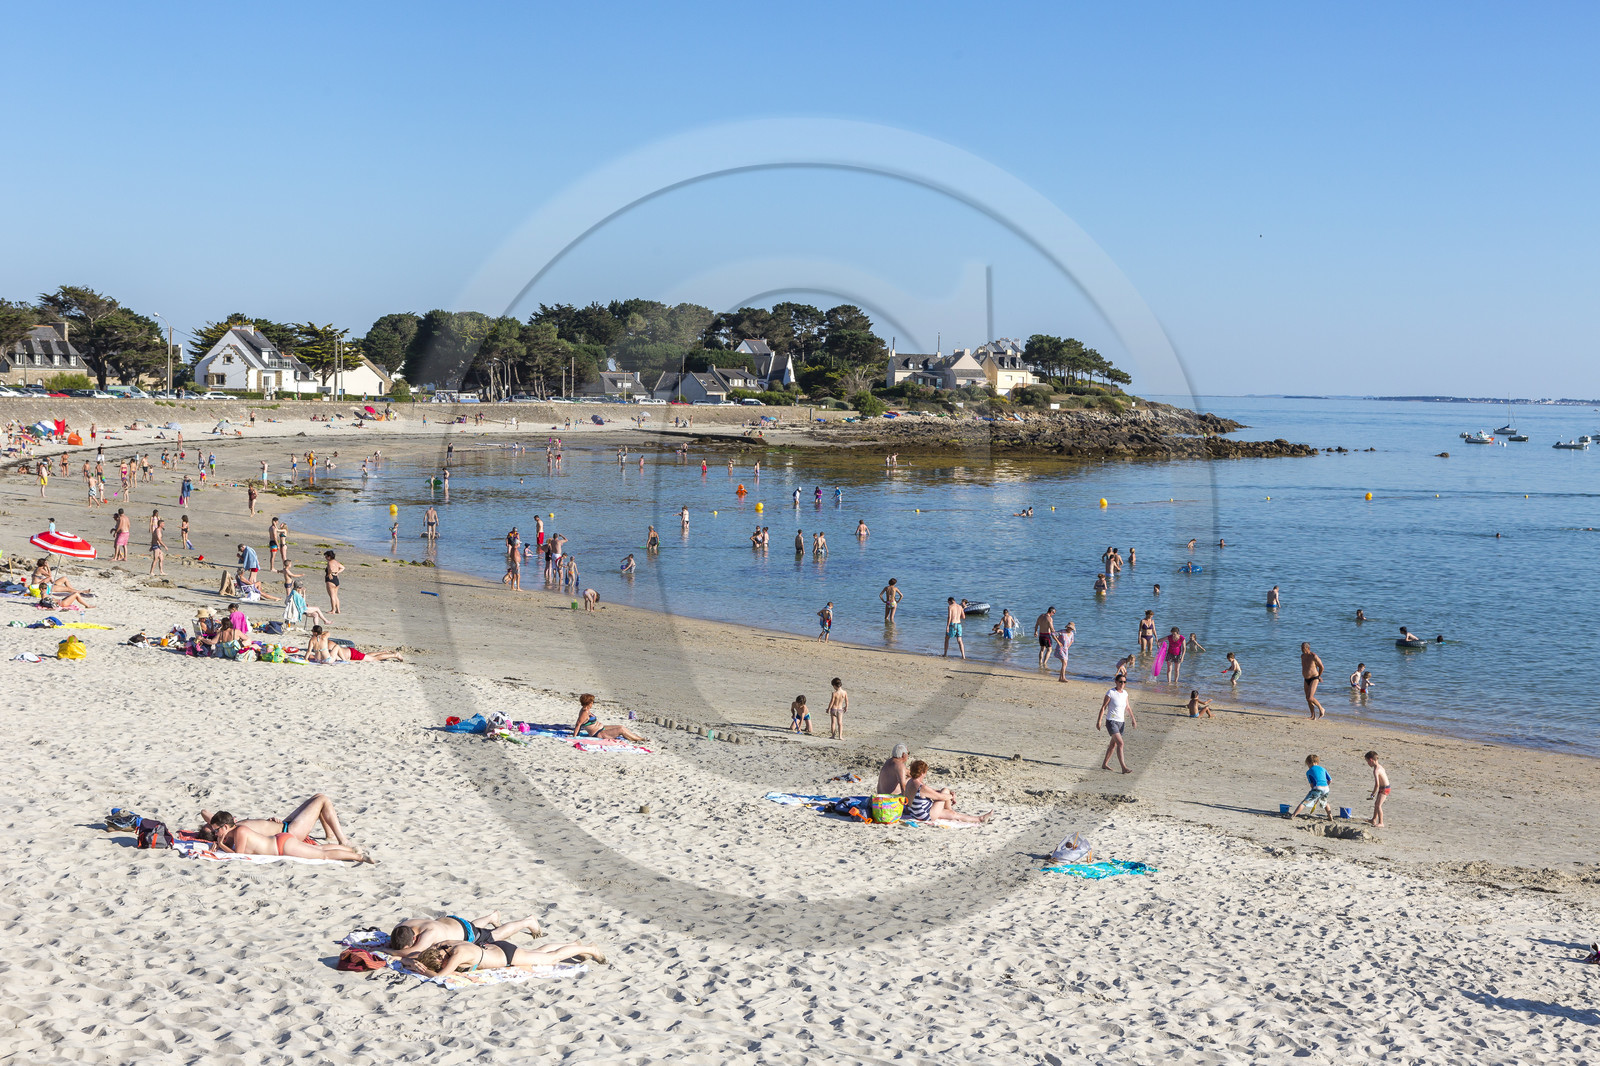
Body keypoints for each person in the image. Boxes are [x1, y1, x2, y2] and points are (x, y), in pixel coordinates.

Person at [200, 793, 357, 849]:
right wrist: (218, 840)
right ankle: (342, 840)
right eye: (212, 828)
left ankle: (329, 836)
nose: (211, 824)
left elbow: (205, 812)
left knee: (317, 797)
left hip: (284, 823)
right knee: (322, 800)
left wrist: (270, 822)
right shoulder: (235, 832)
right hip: (289, 832)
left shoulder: (231, 828)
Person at [405, 938, 605, 977]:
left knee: (551, 959)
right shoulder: (443, 945)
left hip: (507, 956)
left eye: (440, 965)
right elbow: (413, 956)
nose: (443, 966)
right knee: (540, 952)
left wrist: (424, 970)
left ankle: (591, 948)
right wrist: (410, 961)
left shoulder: (458, 955)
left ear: (441, 961)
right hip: (495, 948)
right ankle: (573, 946)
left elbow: (440, 976)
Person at [388, 913, 543, 958]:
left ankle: (528, 922)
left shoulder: (429, 934)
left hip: (466, 934)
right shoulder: (402, 927)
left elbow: (414, 952)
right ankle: (491, 917)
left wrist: (387, 951)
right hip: (451, 922)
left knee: (495, 935)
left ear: (414, 938)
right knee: (473, 927)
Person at [901, 760, 993, 823]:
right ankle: (950, 810)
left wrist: (947, 793)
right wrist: (951, 796)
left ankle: (980, 819)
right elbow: (941, 797)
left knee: (952, 813)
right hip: (924, 815)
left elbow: (931, 791)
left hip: (915, 812)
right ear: (922, 773)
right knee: (945, 790)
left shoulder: (911, 781)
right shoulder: (922, 787)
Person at [1097, 675, 1136, 774]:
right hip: (1111, 721)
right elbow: (1103, 707)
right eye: (1120, 682)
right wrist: (1099, 721)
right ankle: (1124, 767)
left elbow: (1127, 707)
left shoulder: (1125, 693)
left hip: (1121, 722)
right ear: (1116, 681)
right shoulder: (1111, 692)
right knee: (1120, 743)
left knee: (1113, 745)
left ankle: (1104, 764)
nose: (1122, 684)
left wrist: (1133, 719)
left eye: (1124, 682)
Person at [572, 693, 647, 743]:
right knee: (621, 730)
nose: (593, 703)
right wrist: (575, 737)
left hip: (601, 728)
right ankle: (640, 739)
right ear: (589, 703)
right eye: (592, 702)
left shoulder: (587, 710)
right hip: (598, 733)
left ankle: (637, 738)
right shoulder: (584, 713)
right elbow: (578, 724)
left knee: (621, 726)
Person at [307, 625, 404, 662]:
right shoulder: (325, 640)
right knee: (365, 656)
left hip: (351, 654)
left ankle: (395, 655)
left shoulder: (326, 643)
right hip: (350, 653)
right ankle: (381, 652)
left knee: (373, 659)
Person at [1290, 755, 1334, 819]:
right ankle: (1330, 816)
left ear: (1308, 763)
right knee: (1325, 802)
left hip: (1317, 788)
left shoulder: (1309, 772)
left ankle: (1293, 815)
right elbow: (1330, 780)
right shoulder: (1323, 769)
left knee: (1304, 802)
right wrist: (1323, 787)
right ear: (1317, 762)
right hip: (1326, 788)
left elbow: (1311, 784)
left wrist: (1313, 791)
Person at [1365, 751, 1390, 828]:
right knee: (1376, 804)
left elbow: (1377, 784)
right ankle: (1373, 819)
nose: (1368, 764)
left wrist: (1373, 793)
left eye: (1367, 762)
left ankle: (1381, 822)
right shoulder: (1380, 767)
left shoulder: (1376, 770)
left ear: (1371, 760)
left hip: (1385, 789)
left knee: (1378, 805)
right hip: (1383, 788)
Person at [1301, 642, 1326, 719]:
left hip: (1314, 678)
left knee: (1310, 697)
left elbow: (1322, 667)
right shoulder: (1302, 656)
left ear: (1308, 648)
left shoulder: (1314, 656)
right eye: (1301, 648)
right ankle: (1313, 716)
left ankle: (1321, 708)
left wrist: (1319, 676)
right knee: (1307, 698)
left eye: (1303, 648)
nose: (1301, 650)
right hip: (1306, 679)